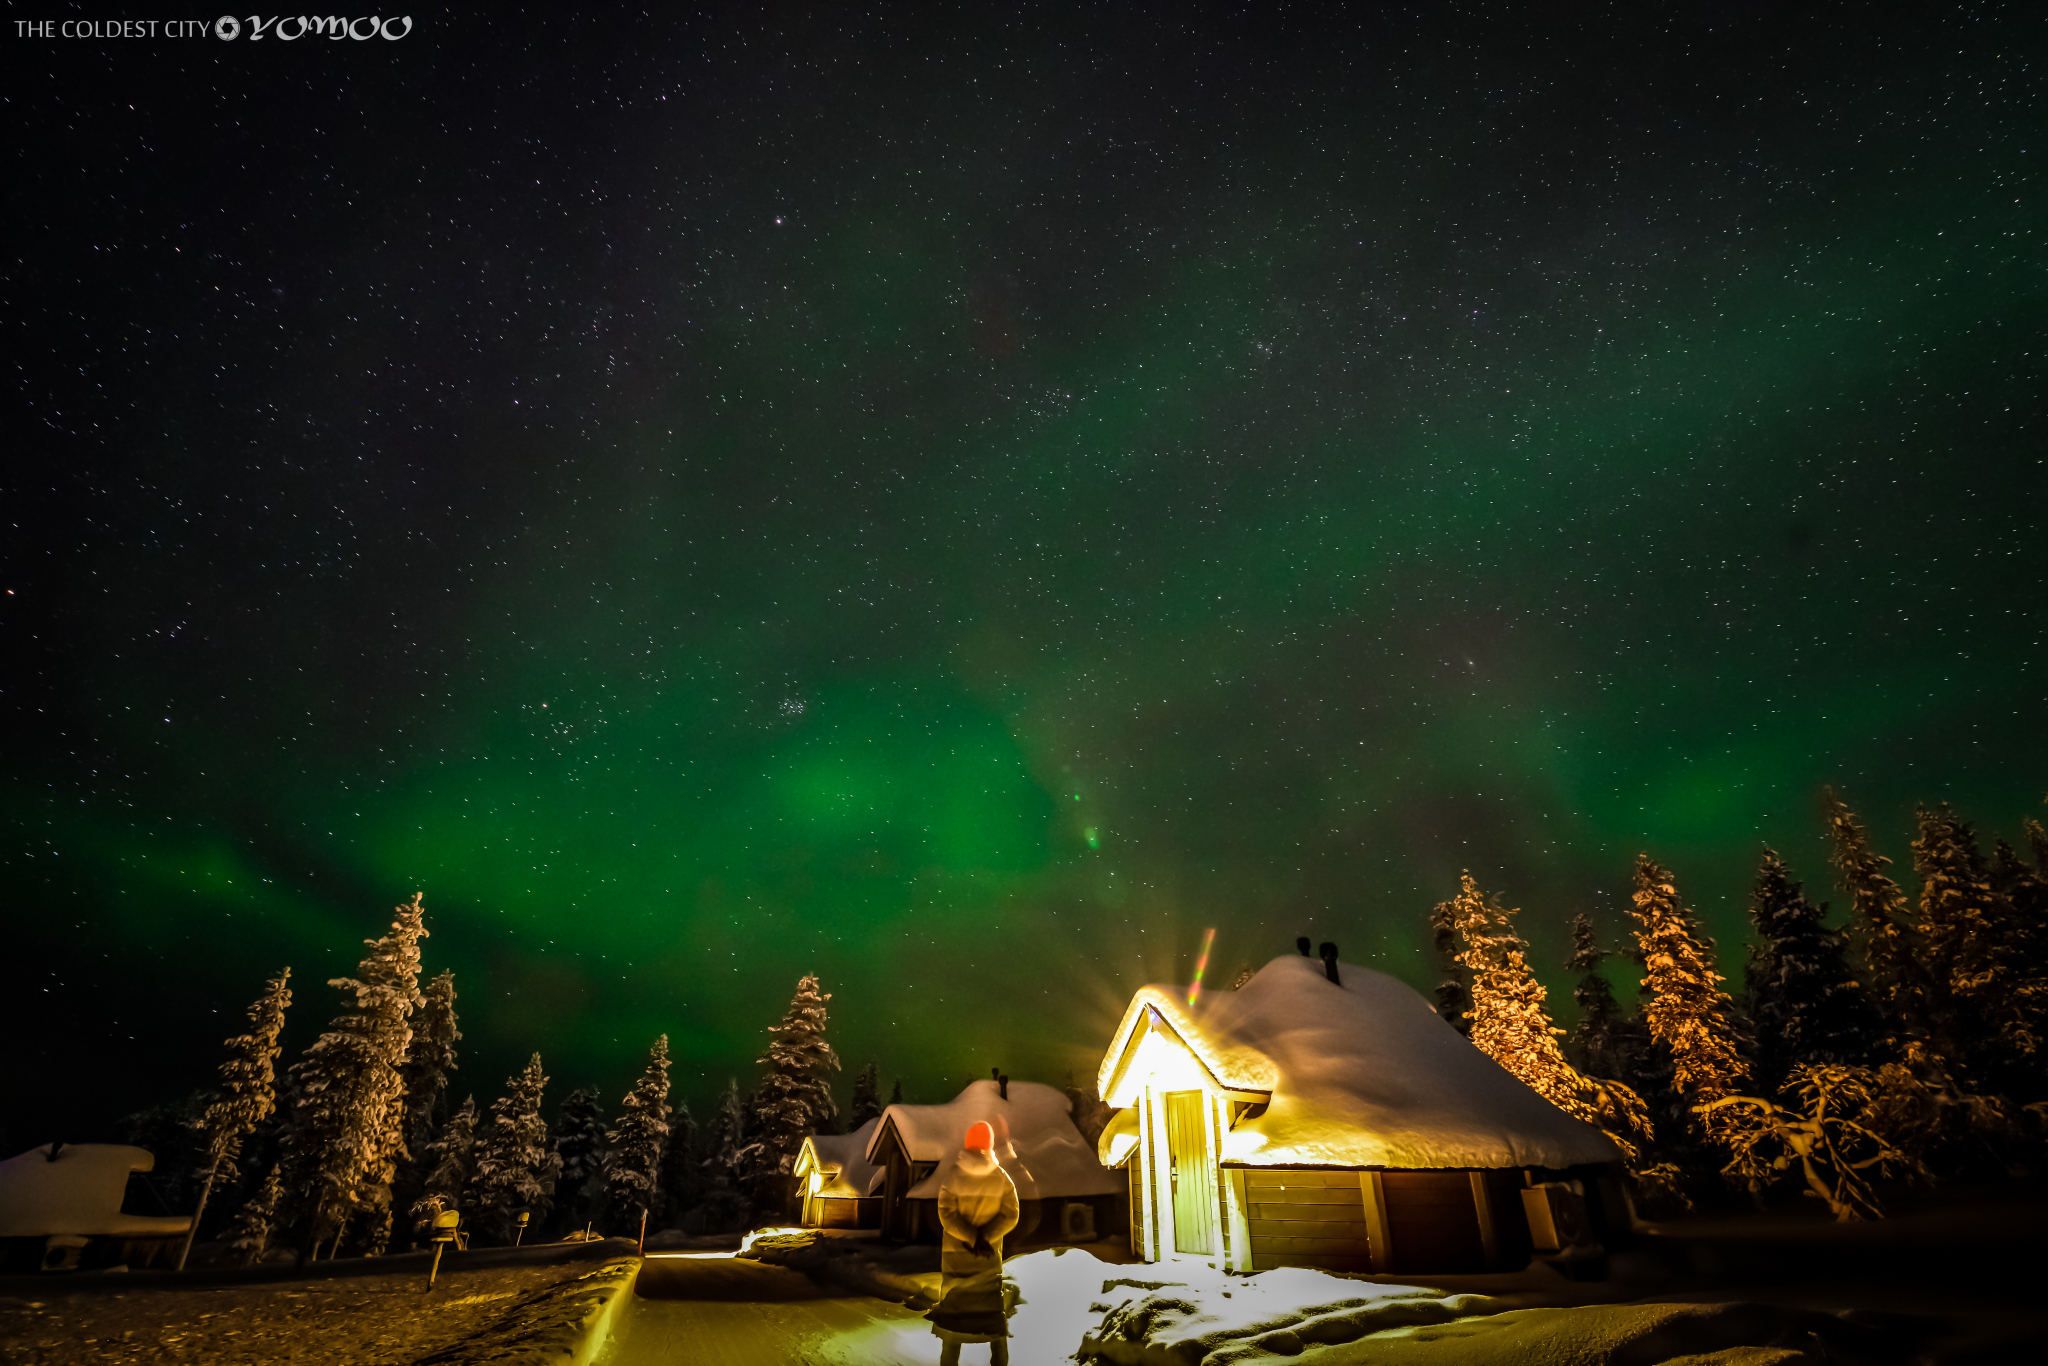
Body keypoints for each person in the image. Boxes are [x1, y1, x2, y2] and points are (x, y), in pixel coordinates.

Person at [929, 1120, 1020, 1366]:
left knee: (952, 1332)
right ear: (990, 1145)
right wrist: (986, 1237)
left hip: (956, 1267)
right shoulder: (1001, 1177)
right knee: (995, 1330)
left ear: (967, 1145)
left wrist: (970, 1236)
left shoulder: (954, 1175)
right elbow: (1012, 1213)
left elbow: (946, 1214)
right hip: (987, 1265)